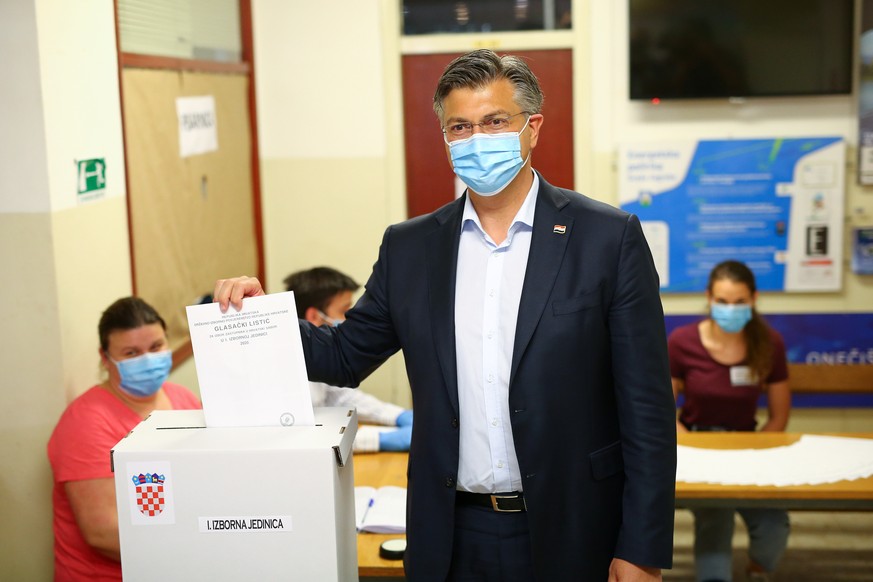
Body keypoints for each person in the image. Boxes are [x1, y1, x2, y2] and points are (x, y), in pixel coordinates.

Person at [215, 49, 676, 581]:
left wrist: (642, 548)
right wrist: (260, 317)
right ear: (446, 139)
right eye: (460, 126)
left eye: (495, 121)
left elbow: (647, 411)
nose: (477, 139)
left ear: (533, 128)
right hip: (453, 533)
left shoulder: (607, 238)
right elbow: (343, 355)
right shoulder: (412, 247)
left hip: (575, 526)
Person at [47, 297, 201, 581]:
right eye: (131, 353)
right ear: (105, 358)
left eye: (156, 347)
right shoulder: (86, 422)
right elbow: (103, 533)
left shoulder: (184, 399)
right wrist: (201, 550)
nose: (147, 359)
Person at [668, 260, 791, 582]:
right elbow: (664, 409)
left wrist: (754, 452)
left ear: (753, 299)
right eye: (722, 301)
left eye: (739, 302)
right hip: (696, 448)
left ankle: (759, 568)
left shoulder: (769, 343)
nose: (730, 309)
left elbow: (779, 416)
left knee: (773, 523)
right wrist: (693, 446)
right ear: (709, 298)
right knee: (716, 518)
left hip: (748, 449)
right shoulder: (682, 342)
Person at [284, 266, 413, 452]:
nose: (351, 320)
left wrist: (398, 415)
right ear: (315, 316)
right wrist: (379, 439)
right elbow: (305, 439)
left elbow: (341, 396)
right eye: (346, 311)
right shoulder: (286, 365)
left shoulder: (321, 360)